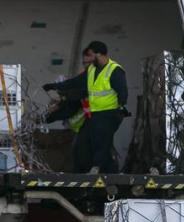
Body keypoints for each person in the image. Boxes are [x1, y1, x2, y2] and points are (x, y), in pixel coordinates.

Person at [43, 40, 128, 173]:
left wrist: (120, 108)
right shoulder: (92, 70)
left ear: (98, 54)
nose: (87, 59)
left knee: (102, 143)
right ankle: (88, 172)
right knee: (83, 142)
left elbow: (122, 92)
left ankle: (99, 170)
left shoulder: (114, 70)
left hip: (109, 113)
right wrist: (55, 86)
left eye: (90, 55)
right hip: (94, 114)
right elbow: (75, 82)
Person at [45, 47, 95, 171]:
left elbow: (69, 107)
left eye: (89, 64)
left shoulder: (92, 83)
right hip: (89, 127)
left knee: (82, 155)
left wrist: (61, 99)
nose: (86, 67)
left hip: (94, 127)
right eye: (85, 64)